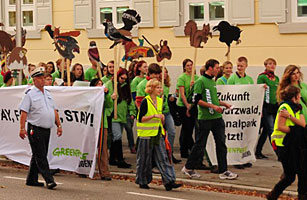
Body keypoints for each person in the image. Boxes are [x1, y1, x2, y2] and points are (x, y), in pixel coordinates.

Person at [181, 59, 238, 180]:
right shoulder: (200, 81)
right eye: (217, 68)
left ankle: (223, 170)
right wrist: (213, 107)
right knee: (200, 144)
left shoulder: (212, 81)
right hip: (205, 118)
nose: (219, 70)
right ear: (210, 68)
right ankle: (188, 167)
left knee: (221, 144)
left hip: (217, 118)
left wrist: (223, 104)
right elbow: (196, 100)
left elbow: (212, 99)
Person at [19, 67, 62, 189]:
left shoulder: (48, 93)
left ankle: (31, 179)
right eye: (41, 78)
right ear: (35, 80)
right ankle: (49, 180)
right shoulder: (30, 94)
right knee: (41, 156)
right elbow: (24, 112)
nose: (43, 80)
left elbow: (54, 110)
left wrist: (59, 125)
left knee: (38, 154)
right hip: (35, 129)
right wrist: (22, 128)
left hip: (46, 129)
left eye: (44, 78)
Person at [136, 78, 182, 191]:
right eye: (158, 87)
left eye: (160, 87)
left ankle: (169, 181)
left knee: (163, 156)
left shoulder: (160, 101)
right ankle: (142, 181)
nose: (160, 89)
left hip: (158, 133)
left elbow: (160, 116)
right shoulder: (145, 101)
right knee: (144, 158)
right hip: (146, 134)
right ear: (151, 89)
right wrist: (154, 116)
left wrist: (161, 120)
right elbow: (141, 119)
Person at [267, 85, 306, 200]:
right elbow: (280, 126)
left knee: (303, 172)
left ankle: (302, 196)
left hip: (294, 144)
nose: (300, 96)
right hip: (283, 145)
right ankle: (273, 194)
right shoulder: (284, 107)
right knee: (290, 176)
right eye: (299, 94)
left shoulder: (297, 107)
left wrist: (290, 117)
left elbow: (303, 124)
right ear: (295, 96)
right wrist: (295, 130)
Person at [105, 68, 135, 168]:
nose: (123, 80)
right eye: (122, 78)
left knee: (116, 137)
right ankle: (120, 159)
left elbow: (129, 100)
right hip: (113, 115)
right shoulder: (110, 84)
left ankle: (112, 158)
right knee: (117, 136)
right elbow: (103, 95)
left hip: (122, 115)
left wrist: (132, 111)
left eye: (125, 79)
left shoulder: (126, 86)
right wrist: (110, 96)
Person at [227, 56, 254, 169]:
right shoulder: (232, 78)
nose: (239, 68)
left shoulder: (250, 79)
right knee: (236, 136)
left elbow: (253, 93)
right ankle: (236, 160)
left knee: (245, 136)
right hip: (236, 112)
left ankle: (244, 158)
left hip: (246, 112)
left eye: (241, 66)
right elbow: (228, 93)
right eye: (237, 65)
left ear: (246, 66)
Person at [255, 58, 279, 159]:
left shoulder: (276, 78)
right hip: (266, 106)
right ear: (265, 65)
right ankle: (279, 153)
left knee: (265, 131)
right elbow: (259, 91)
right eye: (270, 64)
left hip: (275, 106)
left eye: (273, 64)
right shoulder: (262, 77)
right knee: (271, 130)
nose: (272, 65)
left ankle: (258, 151)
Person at [90, 78, 112, 181]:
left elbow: (109, 106)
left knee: (103, 149)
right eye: (97, 84)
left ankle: (104, 172)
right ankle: (85, 169)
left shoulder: (104, 96)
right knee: (89, 148)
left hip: (103, 124)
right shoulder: (89, 96)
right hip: (91, 124)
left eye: (101, 84)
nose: (100, 85)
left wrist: (106, 96)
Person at [176, 59, 199, 158]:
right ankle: (190, 149)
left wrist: (193, 87)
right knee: (187, 128)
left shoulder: (197, 78)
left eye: (191, 65)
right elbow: (181, 93)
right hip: (183, 105)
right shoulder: (182, 78)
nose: (190, 67)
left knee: (189, 128)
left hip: (193, 105)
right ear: (184, 67)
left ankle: (184, 150)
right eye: (188, 65)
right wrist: (187, 105)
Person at [162, 67, 181, 164]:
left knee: (172, 132)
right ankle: (163, 154)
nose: (164, 75)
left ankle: (170, 152)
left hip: (167, 111)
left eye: (166, 73)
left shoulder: (166, 85)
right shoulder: (158, 85)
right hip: (159, 112)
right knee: (162, 134)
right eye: (163, 73)